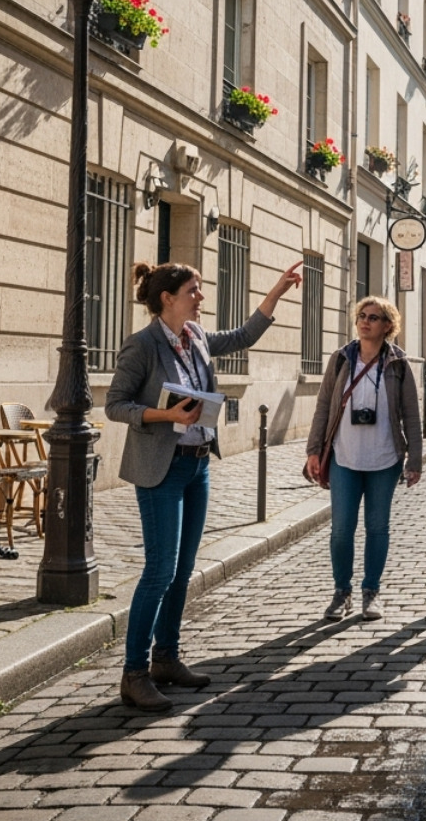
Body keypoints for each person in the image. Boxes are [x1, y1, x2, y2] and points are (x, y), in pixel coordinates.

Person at [106, 258, 303, 712]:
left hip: (198, 466)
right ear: (167, 298)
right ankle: (133, 673)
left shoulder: (195, 339)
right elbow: (117, 406)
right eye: (194, 290)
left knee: (181, 570)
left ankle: (166, 658)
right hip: (161, 468)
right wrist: (167, 415)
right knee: (158, 570)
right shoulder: (142, 346)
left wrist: (276, 291)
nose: (201, 296)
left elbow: (243, 336)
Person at [305, 296, 423, 622]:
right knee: (341, 530)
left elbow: (412, 415)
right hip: (344, 457)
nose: (365, 321)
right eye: (361, 316)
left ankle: (371, 591)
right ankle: (341, 592)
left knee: (377, 527)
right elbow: (324, 405)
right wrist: (313, 450)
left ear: (388, 326)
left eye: (373, 317)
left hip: (385, 459)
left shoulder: (398, 364)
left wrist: (415, 460)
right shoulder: (342, 359)